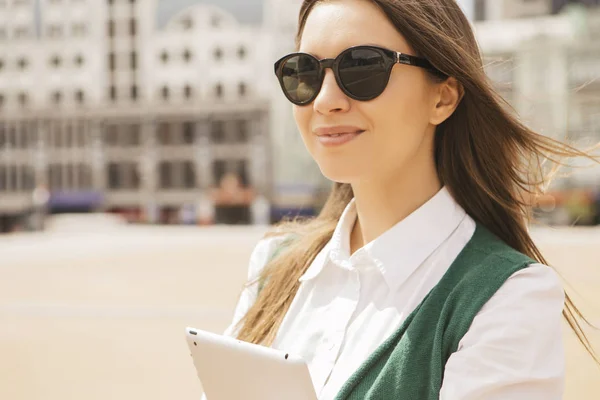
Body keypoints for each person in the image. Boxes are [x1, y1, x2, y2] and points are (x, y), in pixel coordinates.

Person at [222, 1, 599, 399]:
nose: (324, 100)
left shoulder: (507, 298)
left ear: (443, 98)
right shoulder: (274, 265)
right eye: (304, 73)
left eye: (362, 67)